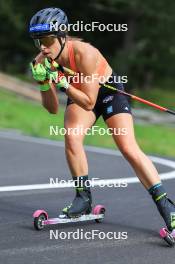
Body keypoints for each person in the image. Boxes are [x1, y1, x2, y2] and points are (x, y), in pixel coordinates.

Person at [29, 7, 175, 231]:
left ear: (62, 35)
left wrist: (61, 83)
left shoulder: (85, 53)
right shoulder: (43, 60)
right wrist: (42, 82)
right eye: (38, 41)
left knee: (127, 147)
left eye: (48, 39)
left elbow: (88, 102)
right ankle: (83, 199)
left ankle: (168, 208)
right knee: (72, 136)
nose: (43, 47)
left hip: (107, 93)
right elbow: (51, 109)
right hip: (78, 92)